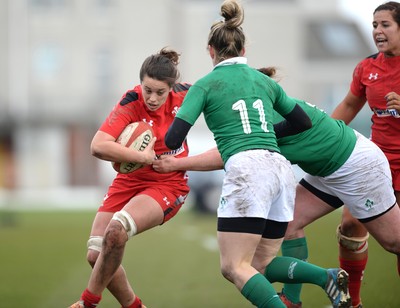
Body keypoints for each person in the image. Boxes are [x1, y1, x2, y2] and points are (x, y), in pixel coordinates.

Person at [164, 1, 351, 307]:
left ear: (210, 51)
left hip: (248, 171)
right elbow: (301, 121)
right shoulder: (263, 80)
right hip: (279, 169)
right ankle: (325, 277)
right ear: (243, 50)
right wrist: (261, 135)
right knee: (258, 267)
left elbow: (174, 137)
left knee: (233, 267)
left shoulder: (206, 84)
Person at [69, 47, 192, 308]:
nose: (153, 98)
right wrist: (142, 158)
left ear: (172, 88)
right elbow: (98, 145)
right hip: (131, 179)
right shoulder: (131, 101)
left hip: (167, 182)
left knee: (117, 229)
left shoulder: (188, 94)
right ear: (141, 84)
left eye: (160, 92)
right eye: (148, 90)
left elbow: (222, 91)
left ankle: (87, 303)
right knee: (95, 254)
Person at [330, 2, 400, 307]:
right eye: (374, 25)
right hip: (376, 164)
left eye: (385, 24)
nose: (377, 31)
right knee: (349, 225)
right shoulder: (367, 67)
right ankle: (351, 302)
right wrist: (320, 135)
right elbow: (348, 106)